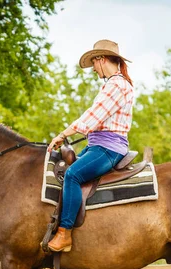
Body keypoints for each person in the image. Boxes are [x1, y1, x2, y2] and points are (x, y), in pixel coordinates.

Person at [47, 39, 135, 253]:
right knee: (65, 167)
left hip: (108, 148)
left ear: (101, 59)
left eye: (94, 64)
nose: (94, 69)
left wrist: (64, 134)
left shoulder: (117, 85)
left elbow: (93, 117)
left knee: (73, 175)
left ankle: (65, 233)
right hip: (98, 144)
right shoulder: (114, 84)